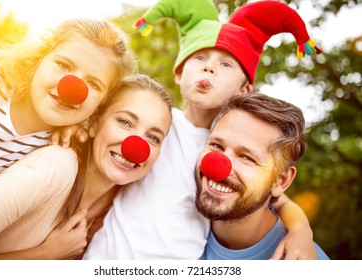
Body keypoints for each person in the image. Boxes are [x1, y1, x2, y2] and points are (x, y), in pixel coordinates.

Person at [84, 0, 322, 260]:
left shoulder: (230, 147)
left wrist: (300, 230)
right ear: (179, 73)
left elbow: (278, 198)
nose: (209, 67)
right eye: (200, 57)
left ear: (244, 89)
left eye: (226, 64)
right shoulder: (157, 123)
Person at [0, 74, 172, 259]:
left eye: (153, 137)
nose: (136, 146)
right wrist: (45, 254)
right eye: (125, 122)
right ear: (94, 123)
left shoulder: (122, 215)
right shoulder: (55, 168)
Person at [0, 18, 136, 188]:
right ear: (39, 58)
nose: (72, 90)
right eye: (63, 66)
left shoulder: (61, 147)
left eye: (93, 84)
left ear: (102, 102)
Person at [196, 92, 329, 260]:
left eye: (246, 157)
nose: (219, 166)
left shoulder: (304, 262)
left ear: (280, 181)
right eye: (216, 145)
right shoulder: (178, 206)